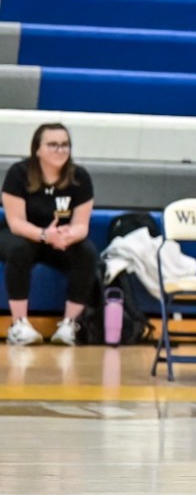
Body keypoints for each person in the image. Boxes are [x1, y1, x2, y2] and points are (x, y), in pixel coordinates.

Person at [2, 123, 95, 346]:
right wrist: (44, 234)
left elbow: (81, 225)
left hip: (59, 241)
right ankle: (19, 324)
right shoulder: (18, 173)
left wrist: (69, 235)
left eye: (65, 145)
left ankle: (69, 325)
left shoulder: (80, 177)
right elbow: (16, 223)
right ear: (37, 149)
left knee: (86, 252)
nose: (60, 150)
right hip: (24, 235)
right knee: (19, 249)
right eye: (53, 145)